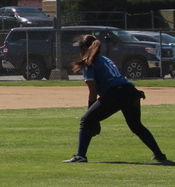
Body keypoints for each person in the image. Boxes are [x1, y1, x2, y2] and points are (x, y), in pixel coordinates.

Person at [65, 34, 168, 163]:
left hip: (116, 93)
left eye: (80, 48)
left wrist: (91, 116)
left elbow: (93, 91)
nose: (79, 51)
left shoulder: (89, 64)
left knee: (86, 120)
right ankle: (159, 155)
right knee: (136, 126)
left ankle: (80, 156)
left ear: (85, 49)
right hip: (131, 91)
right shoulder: (105, 59)